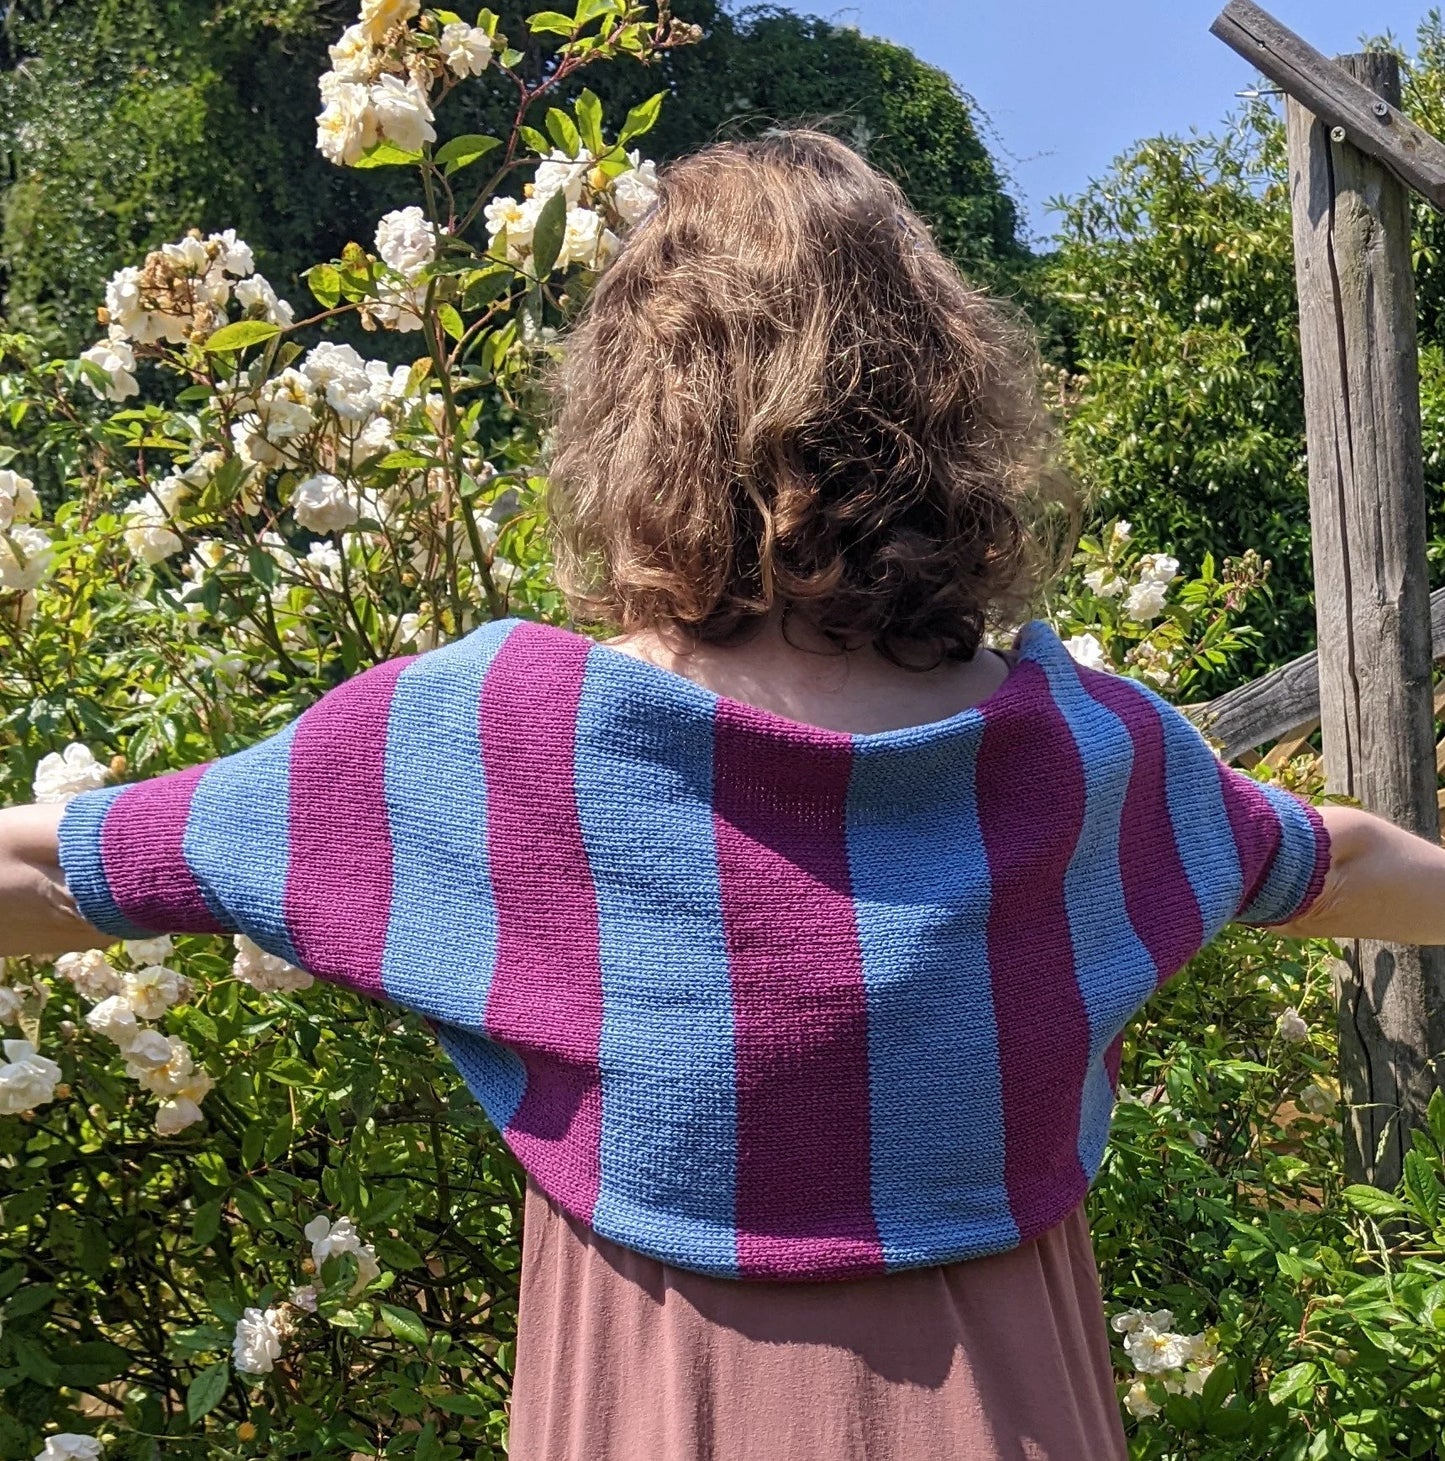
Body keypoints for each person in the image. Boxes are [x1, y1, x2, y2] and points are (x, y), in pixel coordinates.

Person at [2, 129, 1443, 1461]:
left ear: (637, 414)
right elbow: (1332, 858)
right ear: (941, 404)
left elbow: (68, 867)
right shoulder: (1088, 759)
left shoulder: (496, 739)